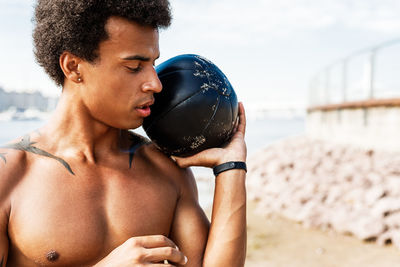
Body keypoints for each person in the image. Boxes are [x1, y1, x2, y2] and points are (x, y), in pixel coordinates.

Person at [0, 0, 247, 266]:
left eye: (153, 64)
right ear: (73, 67)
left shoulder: (165, 170)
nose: (155, 83)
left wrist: (231, 167)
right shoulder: (10, 175)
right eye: (134, 67)